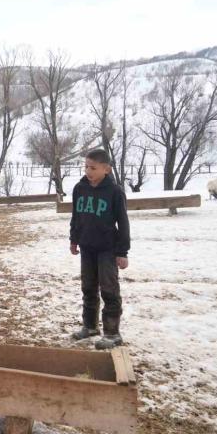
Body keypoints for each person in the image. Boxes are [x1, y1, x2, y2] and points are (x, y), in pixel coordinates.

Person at [69, 149, 130, 350]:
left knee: (109, 290)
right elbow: (76, 216)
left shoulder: (115, 192)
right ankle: (90, 326)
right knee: (88, 288)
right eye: (86, 167)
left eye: (93, 168)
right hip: (87, 247)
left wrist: (122, 252)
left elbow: (123, 223)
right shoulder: (80, 188)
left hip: (107, 249)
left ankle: (112, 333)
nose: (88, 171)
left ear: (106, 169)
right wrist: (74, 239)